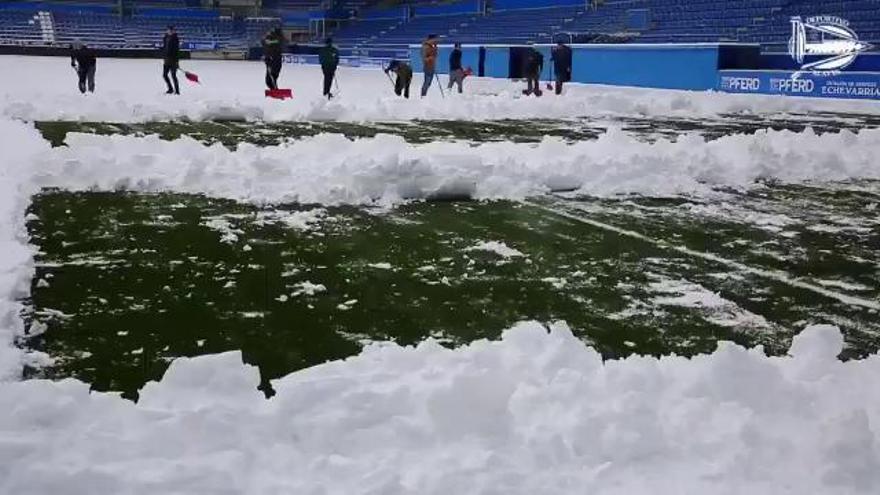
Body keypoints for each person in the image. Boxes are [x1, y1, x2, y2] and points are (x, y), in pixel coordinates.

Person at [161, 26, 180, 95]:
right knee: (164, 75)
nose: (170, 32)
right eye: (169, 30)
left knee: (173, 76)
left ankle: (177, 91)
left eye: (172, 31)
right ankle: (170, 89)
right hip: (166, 60)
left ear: (174, 31)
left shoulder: (176, 39)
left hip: (173, 60)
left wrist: (177, 62)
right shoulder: (165, 38)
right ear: (167, 31)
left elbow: (177, 51)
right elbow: (165, 48)